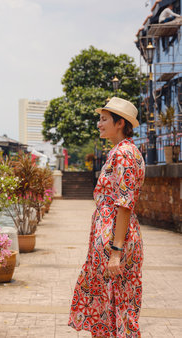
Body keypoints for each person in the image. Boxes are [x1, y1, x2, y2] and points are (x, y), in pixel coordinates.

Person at [68, 97, 146, 337]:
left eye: (104, 119)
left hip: (115, 238)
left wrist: (115, 251)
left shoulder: (123, 154)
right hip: (111, 235)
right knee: (111, 305)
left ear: (120, 123)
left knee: (117, 306)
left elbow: (124, 203)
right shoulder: (122, 151)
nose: (99, 124)